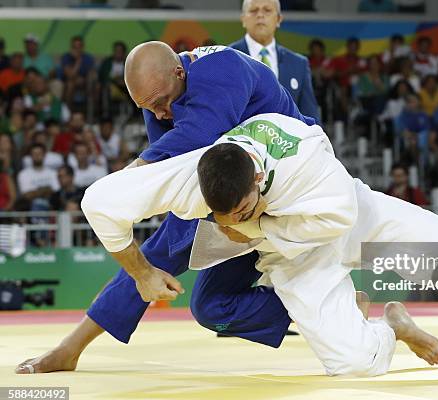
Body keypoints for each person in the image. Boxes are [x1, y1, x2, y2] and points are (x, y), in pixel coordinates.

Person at [79, 113, 438, 375]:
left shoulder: (308, 159)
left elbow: (336, 221)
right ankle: (390, 327)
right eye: (221, 214)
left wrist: (253, 227)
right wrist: (141, 272)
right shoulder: (190, 176)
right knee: (351, 364)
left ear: (258, 179)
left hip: (349, 218)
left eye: (238, 209)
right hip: (289, 255)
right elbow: (98, 203)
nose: (229, 220)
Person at [15, 40, 314, 375]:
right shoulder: (157, 97)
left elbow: (199, 136)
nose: (159, 114)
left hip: (288, 186)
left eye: (160, 103)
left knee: (156, 253)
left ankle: (70, 348)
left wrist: (132, 175)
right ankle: (319, 308)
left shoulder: (224, 68)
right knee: (207, 305)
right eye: (148, 107)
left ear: (179, 71)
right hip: (222, 193)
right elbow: (170, 164)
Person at [229, 0, 320, 123]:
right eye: (253, 10)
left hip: (289, 141)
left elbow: (310, 116)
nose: (260, 15)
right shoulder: (226, 58)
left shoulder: (299, 64)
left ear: (278, 19)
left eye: (267, 10)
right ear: (243, 19)